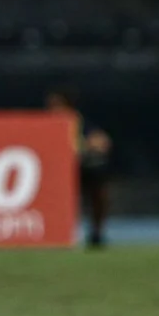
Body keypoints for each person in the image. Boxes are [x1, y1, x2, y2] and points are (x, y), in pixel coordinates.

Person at [46, 86, 113, 248]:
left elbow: (102, 141)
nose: (54, 109)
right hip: (52, 170)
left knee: (98, 183)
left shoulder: (78, 122)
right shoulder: (45, 125)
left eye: (57, 105)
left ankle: (96, 232)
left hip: (79, 168)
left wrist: (91, 145)